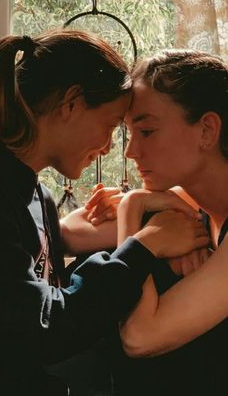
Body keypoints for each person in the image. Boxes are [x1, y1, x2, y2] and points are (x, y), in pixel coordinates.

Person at [0, 31, 207, 396]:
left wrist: (137, 213)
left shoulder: (36, 197)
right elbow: (43, 328)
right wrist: (144, 247)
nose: (110, 149)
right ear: (71, 104)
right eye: (110, 126)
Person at [116, 49, 228, 395]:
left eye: (146, 131)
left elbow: (138, 337)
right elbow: (71, 231)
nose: (130, 152)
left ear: (207, 130)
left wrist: (130, 206)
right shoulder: (190, 205)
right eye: (128, 134)